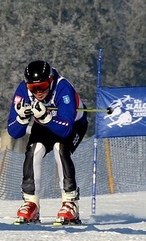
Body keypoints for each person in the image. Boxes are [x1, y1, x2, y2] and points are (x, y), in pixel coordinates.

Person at [7, 60, 88, 224]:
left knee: (60, 148)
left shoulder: (63, 88)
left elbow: (65, 129)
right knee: (33, 150)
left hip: (71, 124)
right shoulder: (22, 90)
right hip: (43, 123)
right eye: (33, 88)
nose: (38, 92)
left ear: (50, 81)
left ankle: (70, 202)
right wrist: (22, 119)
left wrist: (45, 117)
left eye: (42, 86)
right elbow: (13, 132)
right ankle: (31, 203)